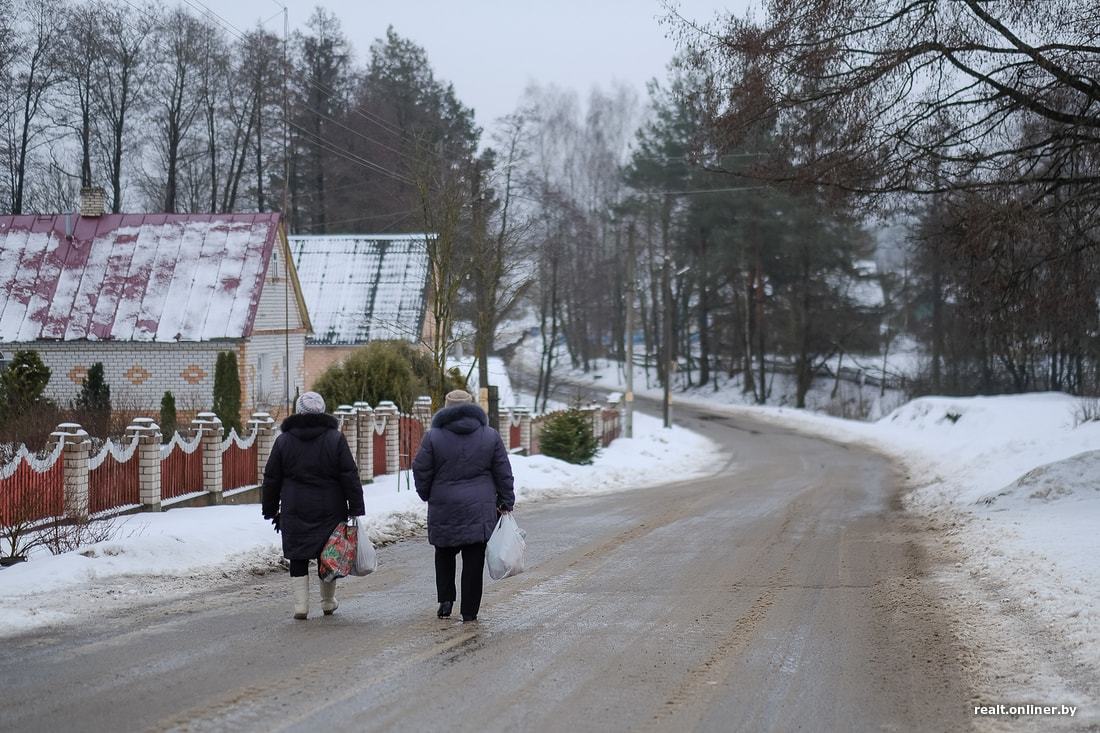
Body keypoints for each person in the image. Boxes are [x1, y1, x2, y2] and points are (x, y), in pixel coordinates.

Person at [412, 389, 515, 622]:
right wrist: (506, 500)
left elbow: (421, 469)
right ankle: (469, 611)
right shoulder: (489, 436)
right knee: (473, 559)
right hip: (479, 507)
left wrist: (426, 494)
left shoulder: (433, 437)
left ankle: (446, 601)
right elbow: (503, 471)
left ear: (446, 408)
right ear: (472, 407)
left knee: (444, 553)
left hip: (444, 504)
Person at [262, 391, 364, 620]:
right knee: (326, 554)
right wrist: (356, 506)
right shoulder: (335, 439)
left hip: (295, 507)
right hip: (330, 507)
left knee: (298, 555)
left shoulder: (284, 441)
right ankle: (328, 601)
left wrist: (270, 509)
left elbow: (271, 478)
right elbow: (349, 474)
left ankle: (301, 606)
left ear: (298, 411)